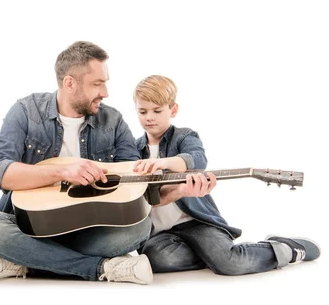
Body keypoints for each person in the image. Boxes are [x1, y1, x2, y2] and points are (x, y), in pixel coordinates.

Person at [0, 41, 154, 284]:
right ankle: (99, 267)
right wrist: (62, 171)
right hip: (31, 228)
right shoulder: (26, 111)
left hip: (91, 229)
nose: (105, 92)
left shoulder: (113, 120)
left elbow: (133, 180)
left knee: (140, 227)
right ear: (70, 83)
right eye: (97, 84)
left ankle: (27, 260)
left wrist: (177, 188)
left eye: (105, 83)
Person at [132, 75, 321, 275]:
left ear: (173, 110)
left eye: (157, 110)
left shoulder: (184, 136)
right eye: (142, 111)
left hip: (196, 222)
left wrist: (163, 162)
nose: (149, 117)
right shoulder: (133, 149)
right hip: (161, 234)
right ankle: (215, 255)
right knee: (155, 260)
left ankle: (284, 249)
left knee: (232, 264)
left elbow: (196, 159)